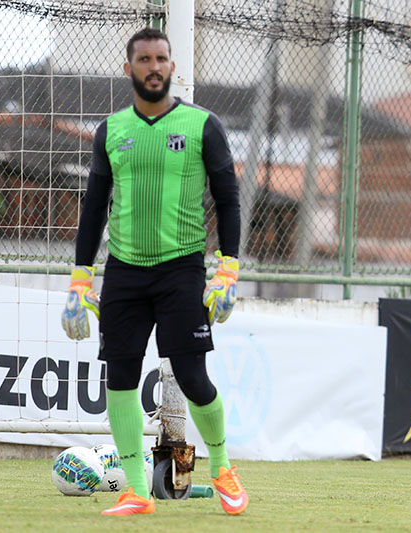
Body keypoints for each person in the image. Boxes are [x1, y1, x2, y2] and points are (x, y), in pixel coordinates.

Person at [61, 27, 248, 516]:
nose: (153, 67)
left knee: (191, 375)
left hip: (181, 269)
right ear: (129, 68)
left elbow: (228, 200)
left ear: (171, 66)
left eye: (161, 58)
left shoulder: (203, 125)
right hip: (123, 272)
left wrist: (228, 269)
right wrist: (81, 278)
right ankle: (137, 491)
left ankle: (222, 467)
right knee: (120, 377)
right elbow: (94, 207)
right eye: (144, 59)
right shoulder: (111, 130)